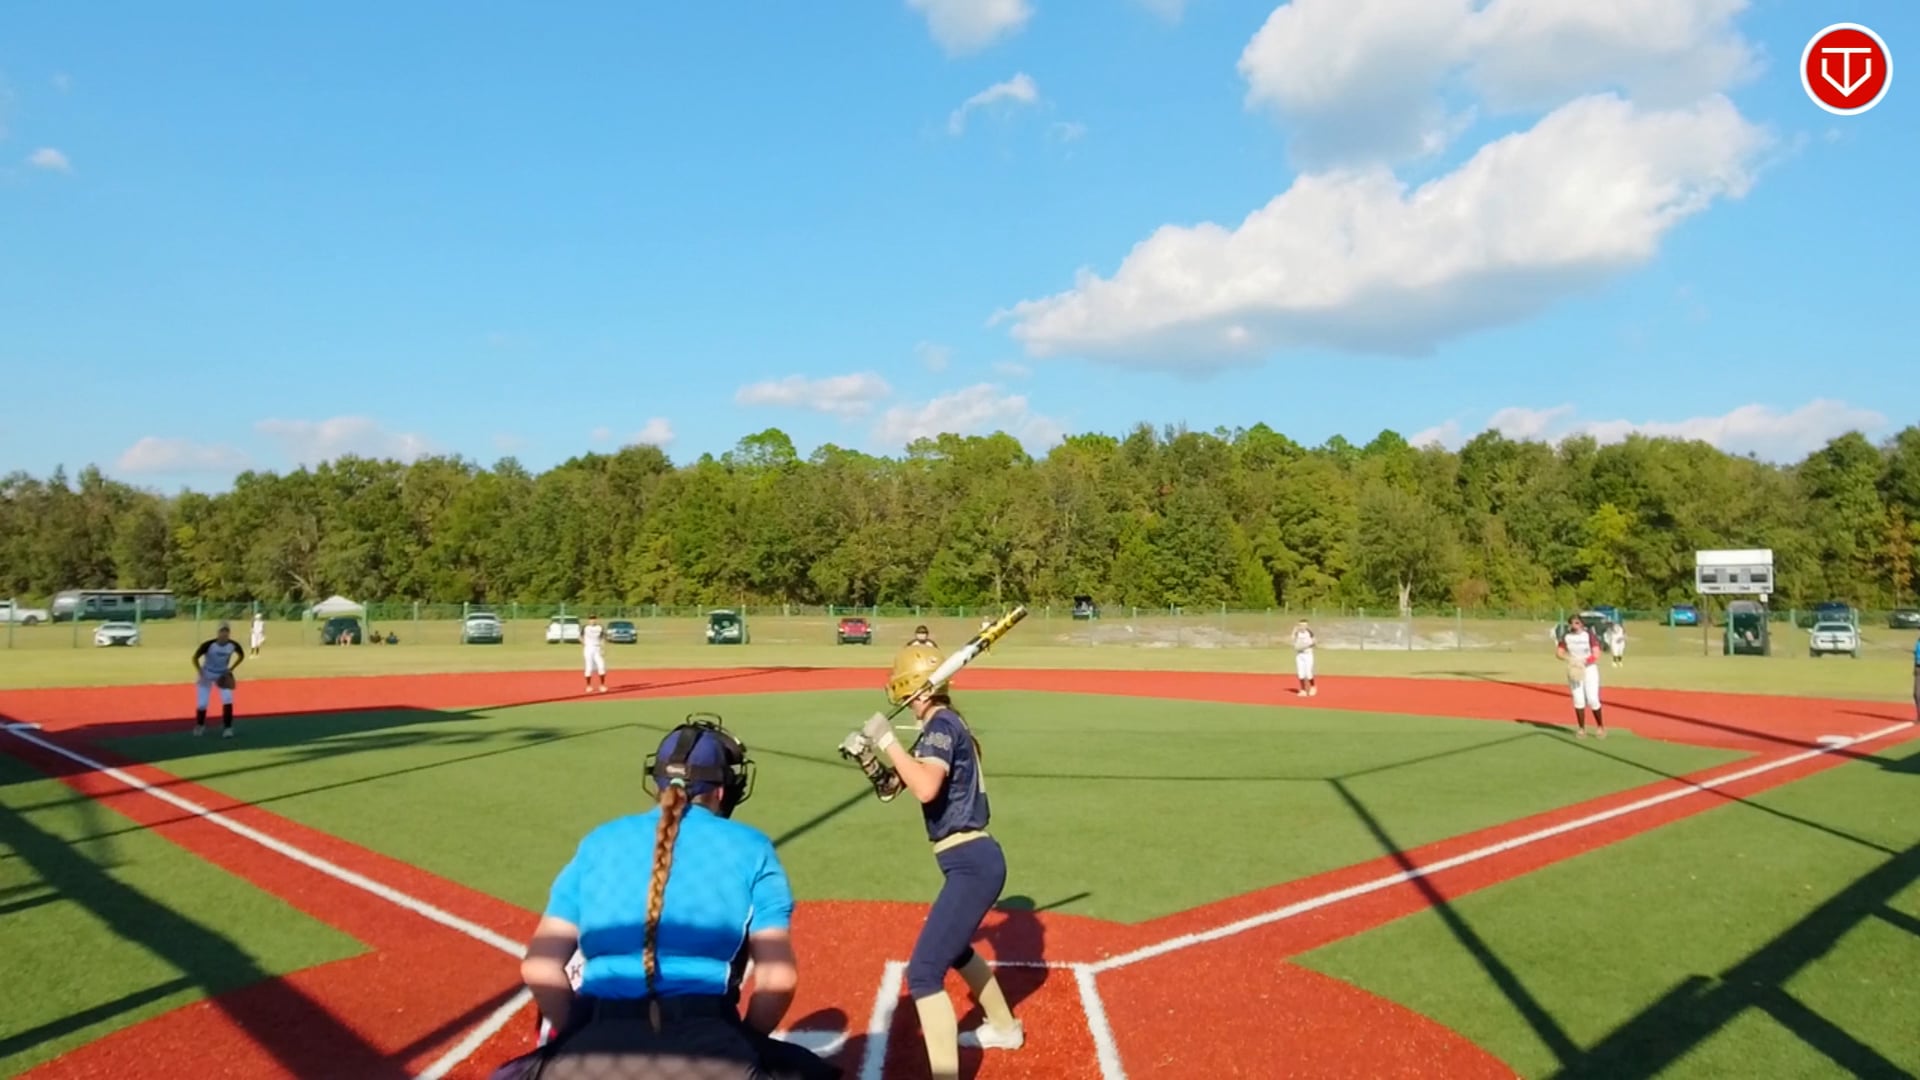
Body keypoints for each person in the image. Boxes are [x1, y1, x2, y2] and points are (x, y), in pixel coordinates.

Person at [498, 716, 839, 1080]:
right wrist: (745, 1043)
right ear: (721, 791)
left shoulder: (598, 841)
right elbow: (778, 979)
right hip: (711, 1049)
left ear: (656, 783)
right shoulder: (753, 847)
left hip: (594, 1047)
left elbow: (539, 967)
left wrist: (578, 1036)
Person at [857, 645, 1023, 1080]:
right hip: (970, 861)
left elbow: (926, 788)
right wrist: (870, 761)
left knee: (925, 973)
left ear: (913, 688)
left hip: (971, 861)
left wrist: (887, 741)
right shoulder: (939, 727)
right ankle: (1005, 1027)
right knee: (956, 948)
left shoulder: (941, 726)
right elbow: (893, 787)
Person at [190, 622, 245, 738]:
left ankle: (228, 728)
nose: (224, 634)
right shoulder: (209, 645)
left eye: (226, 631)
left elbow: (241, 655)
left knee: (227, 700)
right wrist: (200, 671)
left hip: (223, 674)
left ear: (229, 633)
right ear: (218, 633)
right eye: (222, 631)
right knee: (202, 703)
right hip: (207, 673)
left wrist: (231, 669)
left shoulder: (233, 645)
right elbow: (195, 658)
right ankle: (200, 726)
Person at [1556, 614, 1606, 739]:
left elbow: (1596, 653)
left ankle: (1600, 726)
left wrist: (1584, 661)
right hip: (1575, 669)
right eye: (1572, 623)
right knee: (1578, 699)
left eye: (1577, 622)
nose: (1574, 625)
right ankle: (1581, 728)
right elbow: (1559, 652)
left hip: (1589, 669)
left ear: (1582, 624)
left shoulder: (1588, 635)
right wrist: (1570, 659)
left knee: (1592, 699)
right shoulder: (1567, 636)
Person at [581, 614, 609, 694]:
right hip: (588, 648)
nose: (592, 620)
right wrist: (584, 643)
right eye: (591, 619)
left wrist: (602, 648)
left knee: (601, 666)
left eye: (593, 619)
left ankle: (602, 685)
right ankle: (588, 685)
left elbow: (603, 638)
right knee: (589, 668)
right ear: (588, 620)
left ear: (596, 619)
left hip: (597, 648)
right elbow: (580, 636)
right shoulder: (585, 627)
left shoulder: (600, 627)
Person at [1290, 619, 1317, 697]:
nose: (1303, 627)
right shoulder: (1297, 633)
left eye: (1304, 625)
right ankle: (1303, 690)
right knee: (1300, 673)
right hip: (1299, 655)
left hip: (1308, 655)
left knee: (1308, 673)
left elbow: (1314, 642)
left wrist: (1304, 646)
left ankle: (1313, 687)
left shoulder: (1309, 632)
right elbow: (1293, 640)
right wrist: (1294, 631)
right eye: (1301, 625)